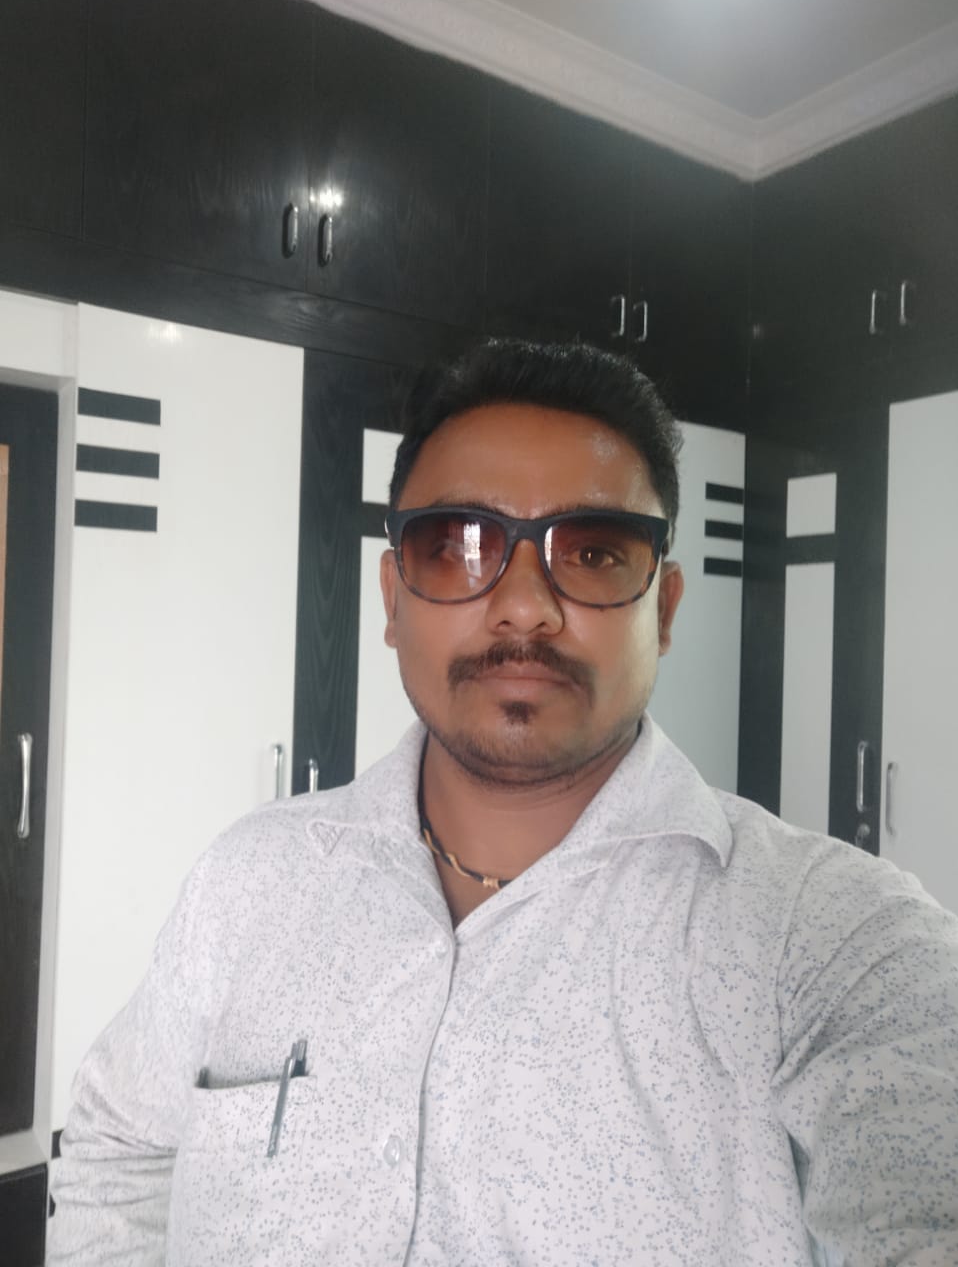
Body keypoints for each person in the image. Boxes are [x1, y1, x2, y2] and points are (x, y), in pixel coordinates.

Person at [49, 339, 958, 1266]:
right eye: (458, 546)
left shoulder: (826, 940)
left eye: (594, 552)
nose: (524, 607)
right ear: (392, 600)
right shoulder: (248, 882)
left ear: (664, 611)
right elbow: (119, 1151)